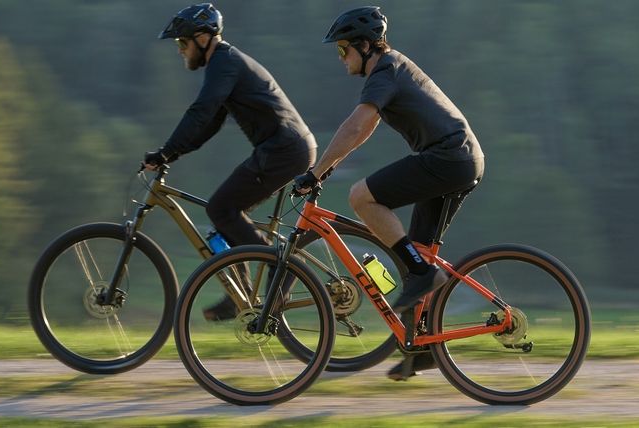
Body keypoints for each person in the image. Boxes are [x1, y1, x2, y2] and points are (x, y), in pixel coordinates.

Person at [293, 6, 485, 380]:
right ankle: (424, 348)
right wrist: (324, 170)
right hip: (459, 159)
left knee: (361, 197)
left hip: (448, 158)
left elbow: (355, 126)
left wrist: (315, 172)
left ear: (365, 46)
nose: (341, 57)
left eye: (342, 49)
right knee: (420, 252)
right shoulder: (391, 69)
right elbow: (364, 131)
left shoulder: (384, 70)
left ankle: (419, 272)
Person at [145, 3, 317, 321]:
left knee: (221, 209)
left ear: (202, 38)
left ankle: (279, 264)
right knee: (224, 216)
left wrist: (166, 151)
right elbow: (209, 124)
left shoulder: (224, 63)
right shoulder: (225, 63)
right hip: (284, 148)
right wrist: (174, 152)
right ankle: (240, 292)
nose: (181, 51)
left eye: (183, 43)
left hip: (283, 149)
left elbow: (201, 111)